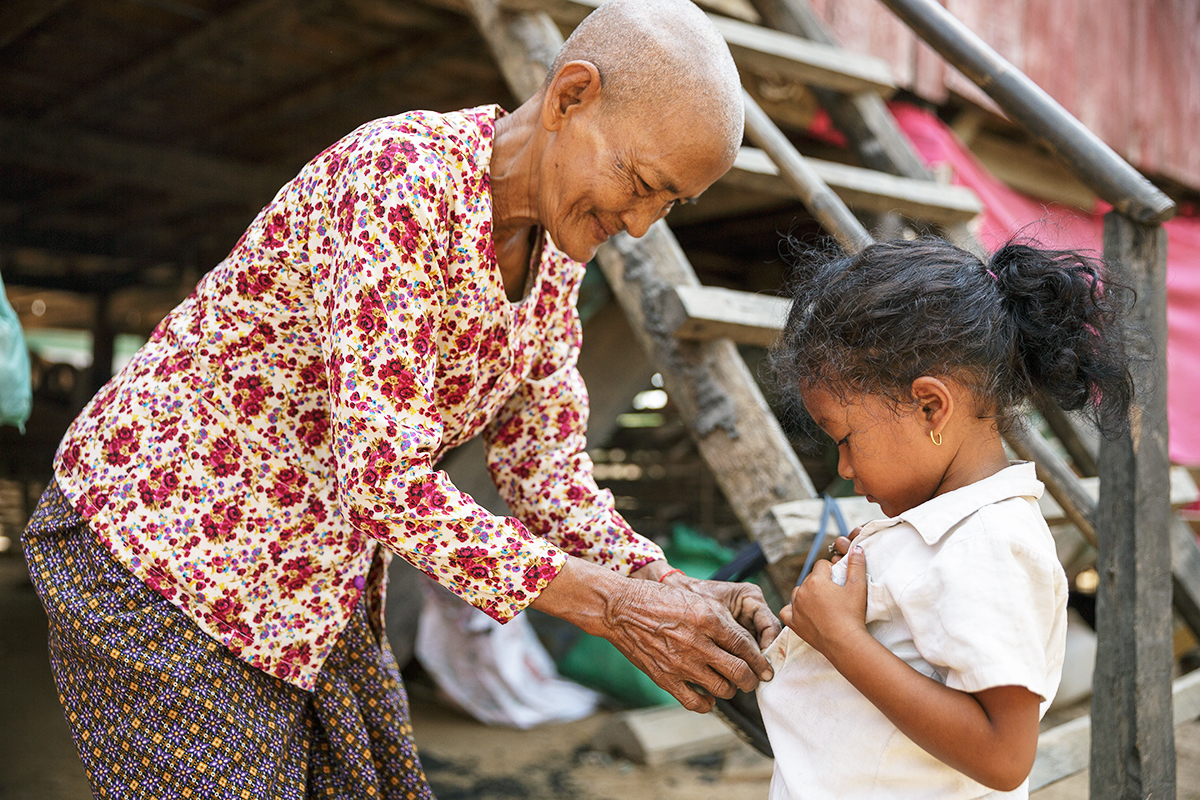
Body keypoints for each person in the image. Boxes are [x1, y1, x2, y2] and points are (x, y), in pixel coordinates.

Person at [21, 0, 780, 796]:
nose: (640, 224)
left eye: (671, 205)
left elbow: (546, 476)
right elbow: (387, 481)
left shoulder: (556, 261)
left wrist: (670, 590)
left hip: (308, 578)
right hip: (159, 544)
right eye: (642, 183)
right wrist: (613, 608)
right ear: (569, 97)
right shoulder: (403, 178)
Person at [759, 238, 1135, 799]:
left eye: (845, 438)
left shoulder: (989, 542)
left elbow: (1004, 756)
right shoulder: (947, 529)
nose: (843, 467)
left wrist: (841, 639)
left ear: (931, 406)